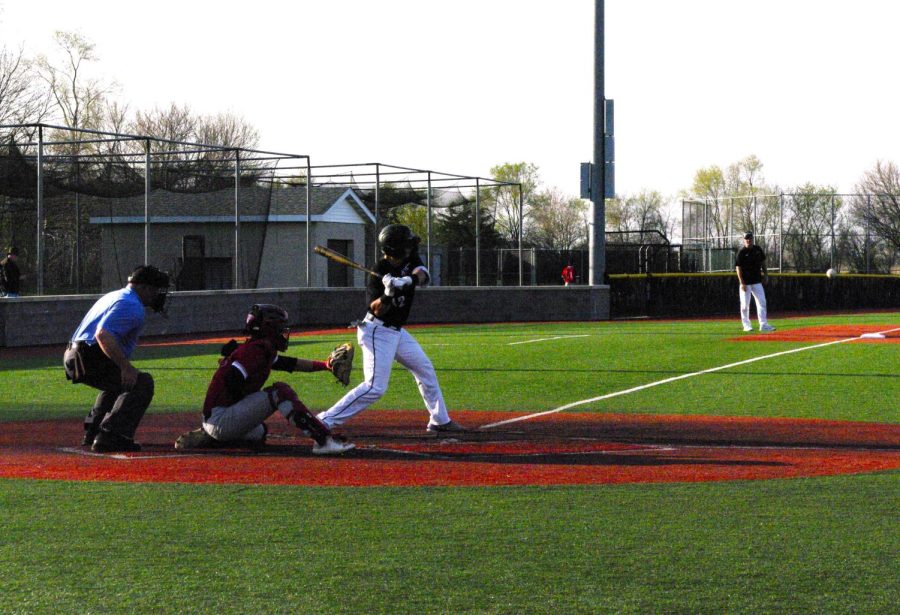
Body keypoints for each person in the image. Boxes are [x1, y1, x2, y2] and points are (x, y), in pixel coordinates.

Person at [317, 224, 464, 434]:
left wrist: (408, 279)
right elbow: (377, 309)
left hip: (396, 331)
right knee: (375, 387)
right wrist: (388, 293)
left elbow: (423, 274)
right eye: (406, 245)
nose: (410, 247)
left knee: (424, 369)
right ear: (396, 248)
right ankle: (324, 420)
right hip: (377, 331)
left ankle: (440, 420)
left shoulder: (409, 256)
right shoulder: (378, 273)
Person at [174, 303, 355, 455]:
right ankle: (323, 440)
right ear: (269, 329)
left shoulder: (259, 349)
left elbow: (290, 364)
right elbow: (232, 380)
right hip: (220, 417)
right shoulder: (254, 352)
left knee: (258, 431)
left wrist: (325, 365)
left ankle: (212, 439)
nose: (284, 333)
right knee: (279, 392)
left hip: (218, 418)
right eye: (280, 329)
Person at [63, 265, 170, 452]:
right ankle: (111, 435)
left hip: (74, 355)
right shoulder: (132, 305)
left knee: (117, 385)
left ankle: (92, 431)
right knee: (141, 382)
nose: (156, 295)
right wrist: (125, 367)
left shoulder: (117, 295)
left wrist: (121, 368)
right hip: (87, 355)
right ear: (142, 287)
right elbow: (103, 334)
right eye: (154, 289)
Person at [735, 232, 775, 333]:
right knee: (744, 305)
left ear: (753, 239)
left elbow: (763, 263)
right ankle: (746, 325)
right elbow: (738, 268)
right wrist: (742, 282)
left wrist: (765, 274)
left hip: (757, 281)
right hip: (746, 283)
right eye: (746, 239)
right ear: (744, 240)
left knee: (762, 302)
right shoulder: (741, 252)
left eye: (750, 238)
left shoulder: (758, 250)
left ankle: (763, 324)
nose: (748, 240)